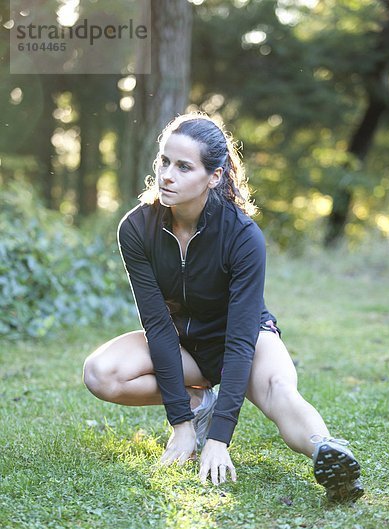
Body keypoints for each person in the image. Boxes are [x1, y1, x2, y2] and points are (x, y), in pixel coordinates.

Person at [83, 113, 363, 502]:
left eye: (183, 167)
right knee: (101, 373)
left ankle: (328, 452)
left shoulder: (243, 236)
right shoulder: (136, 228)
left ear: (214, 176)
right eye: (164, 161)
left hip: (246, 340)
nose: (167, 175)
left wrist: (219, 438)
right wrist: (182, 421)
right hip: (183, 346)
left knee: (280, 391)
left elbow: (241, 338)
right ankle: (199, 401)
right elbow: (158, 326)